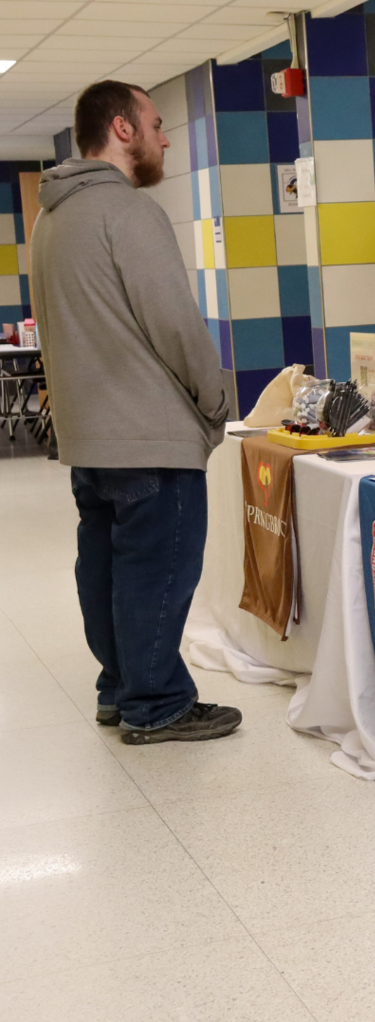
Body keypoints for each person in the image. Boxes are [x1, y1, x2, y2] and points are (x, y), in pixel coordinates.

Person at [32, 81, 241, 743]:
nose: (165, 137)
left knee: (106, 568)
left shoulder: (52, 216)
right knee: (158, 572)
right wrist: (214, 403)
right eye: (156, 123)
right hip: (150, 436)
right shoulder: (127, 212)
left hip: (89, 439)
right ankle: (157, 704)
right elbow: (175, 325)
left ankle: (118, 689)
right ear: (122, 129)